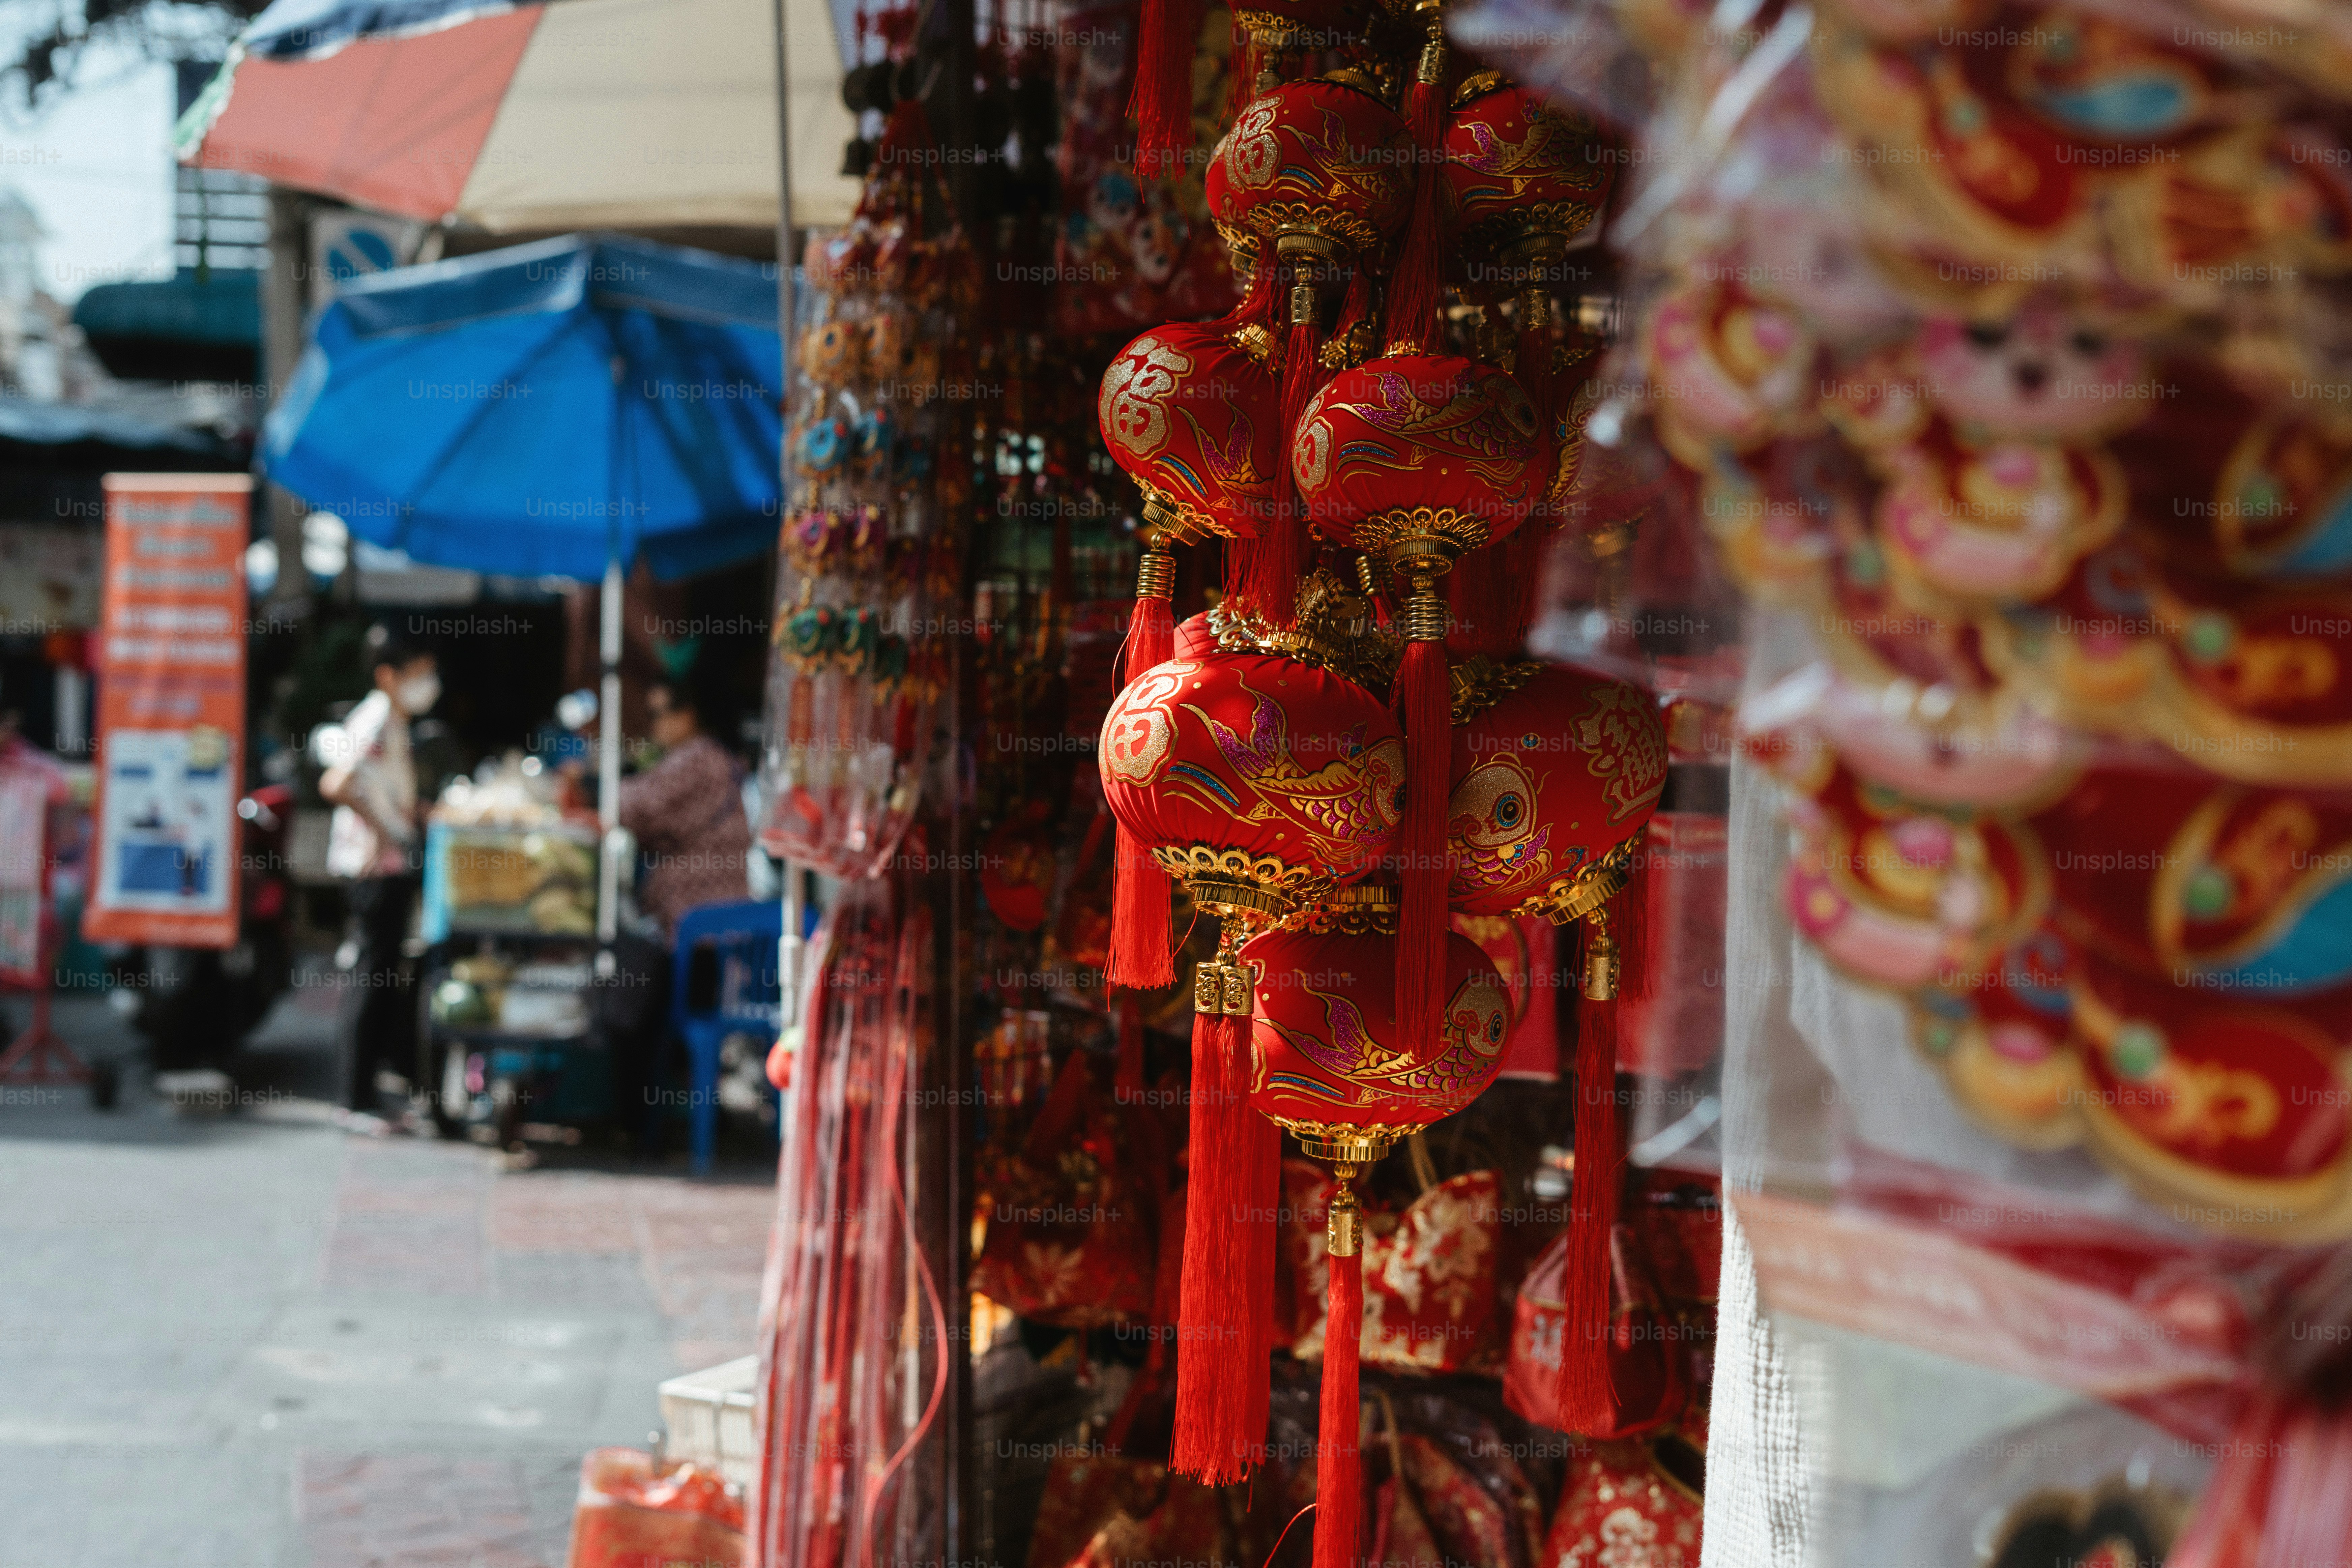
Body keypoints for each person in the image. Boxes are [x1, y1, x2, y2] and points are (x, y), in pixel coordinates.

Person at [319, 627, 439, 1130]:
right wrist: (381, 835)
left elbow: (377, 788)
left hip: (386, 866)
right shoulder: (375, 718)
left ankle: (371, 1092)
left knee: (383, 976)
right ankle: (355, 1100)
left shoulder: (391, 720)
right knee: (371, 978)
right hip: (374, 871)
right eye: (417, 674)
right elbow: (338, 782)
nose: (427, 684)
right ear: (389, 676)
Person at [616, 673, 752, 938]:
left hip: (702, 920)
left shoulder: (698, 757)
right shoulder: (711, 755)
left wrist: (592, 790)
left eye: (658, 713)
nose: (654, 724)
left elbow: (639, 806)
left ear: (687, 715)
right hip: (715, 916)